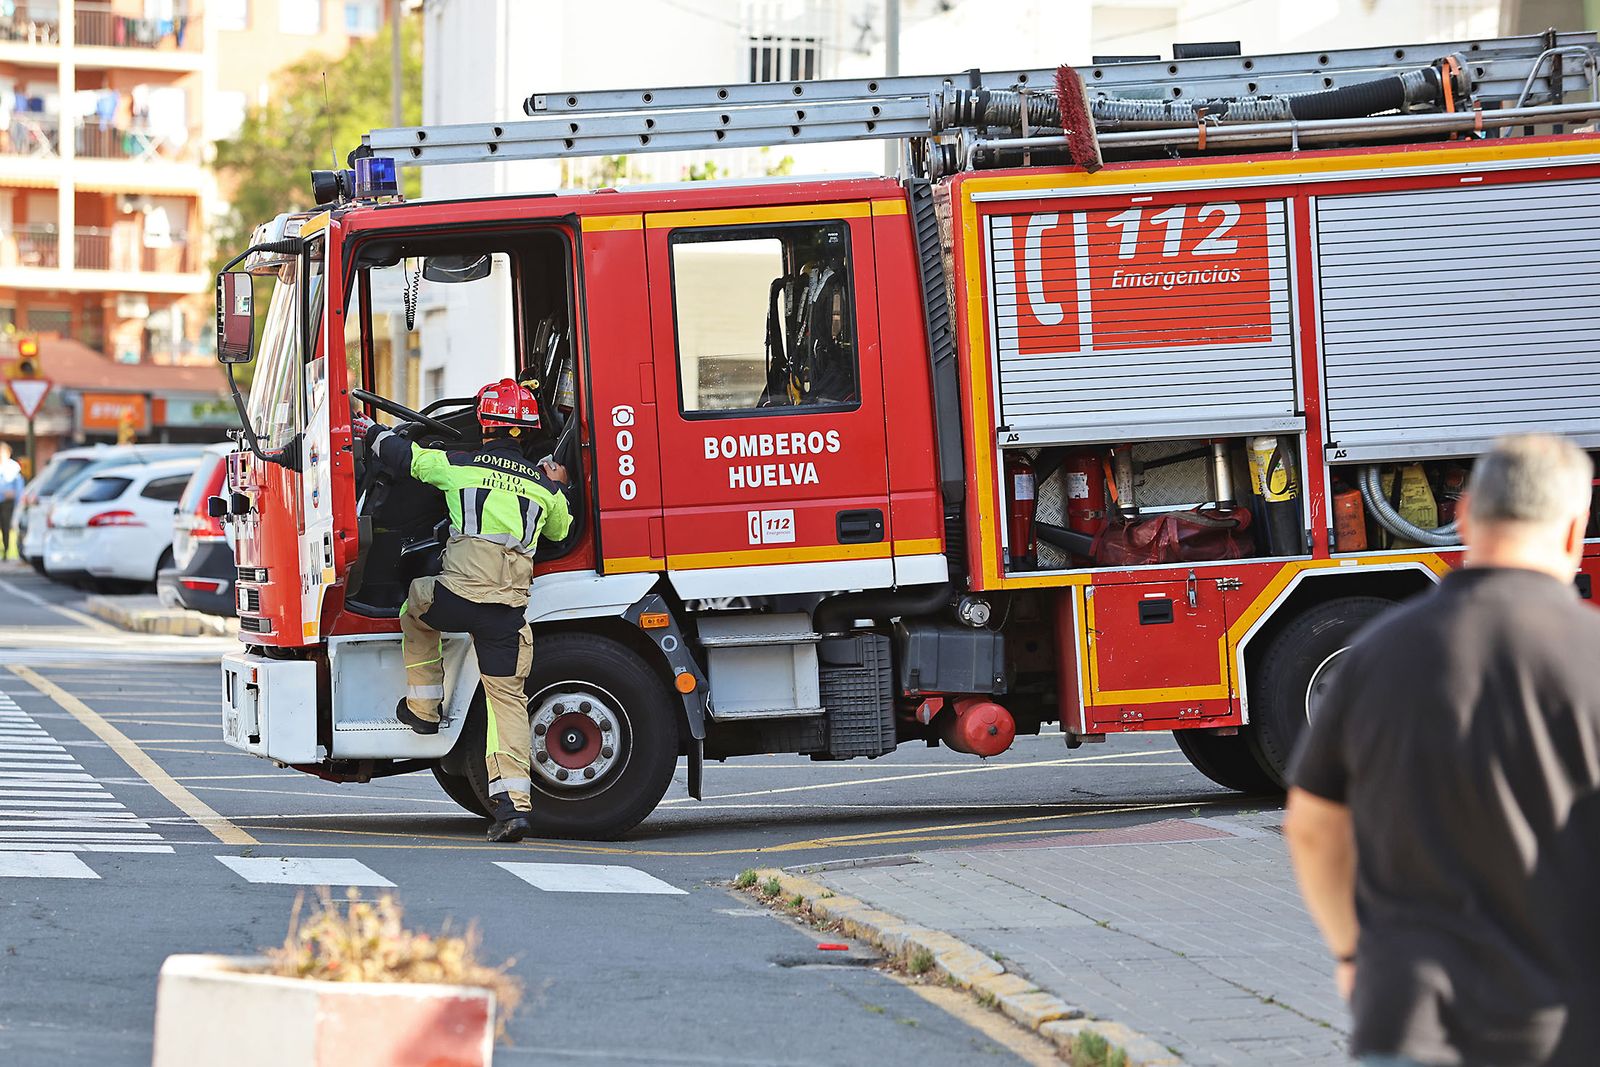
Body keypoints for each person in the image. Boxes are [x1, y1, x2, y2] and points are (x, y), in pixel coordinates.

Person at [1285, 433, 1600, 1067]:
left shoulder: (1376, 655)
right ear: (1573, 531)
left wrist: (1352, 952)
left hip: (1409, 1019)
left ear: (1462, 520)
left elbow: (1314, 828)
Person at [357, 379, 572, 843]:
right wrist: (558, 485)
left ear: (484, 424)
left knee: (415, 605)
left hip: (454, 600)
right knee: (507, 700)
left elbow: (407, 459)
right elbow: (560, 531)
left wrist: (371, 432)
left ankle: (424, 708)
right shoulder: (543, 488)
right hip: (506, 616)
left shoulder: (460, 465)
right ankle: (512, 807)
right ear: (529, 430)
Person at [0, 442, 23, 560]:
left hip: (7, 502)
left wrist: (17, 499)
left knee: (5, 526)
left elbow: (19, 486)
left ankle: (6, 551)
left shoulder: (13, 467)